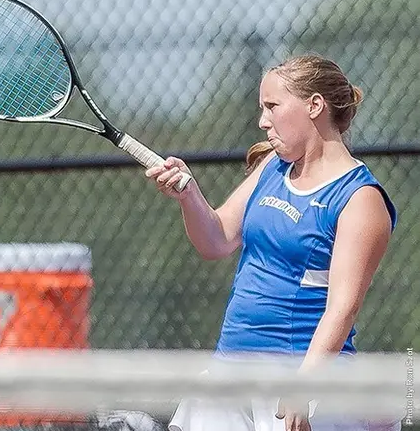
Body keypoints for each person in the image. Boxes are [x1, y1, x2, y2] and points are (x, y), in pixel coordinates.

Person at [144, 55, 400, 431]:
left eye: (272, 107)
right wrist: (189, 195)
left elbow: (342, 309)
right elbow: (216, 239)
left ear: (314, 105)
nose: (263, 121)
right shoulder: (273, 169)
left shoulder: (359, 199)